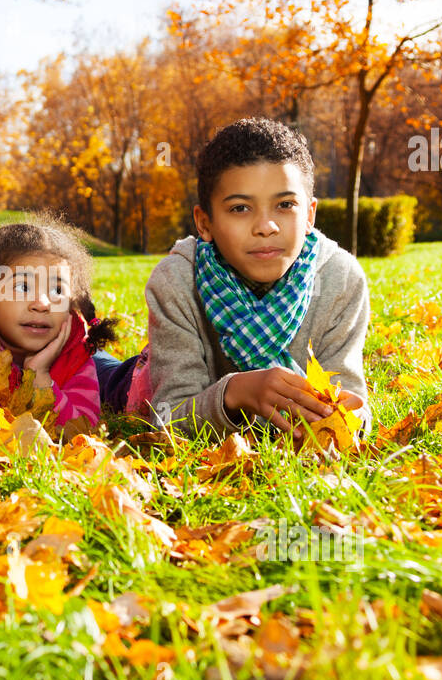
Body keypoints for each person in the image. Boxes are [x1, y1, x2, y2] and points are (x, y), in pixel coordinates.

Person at [99, 117, 369, 439]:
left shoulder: (341, 278)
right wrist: (235, 394)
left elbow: (352, 403)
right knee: (96, 372)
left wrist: (347, 417)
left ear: (309, 214)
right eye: (241, 208)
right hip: (141, 381)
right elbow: (167, 418)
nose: (266, 226)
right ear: (205, 223)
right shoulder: (177, 281)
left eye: (285, 205)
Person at [0, 220, 117, 429]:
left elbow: (81, 433)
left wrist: (41, 379)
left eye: (57, 291)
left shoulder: (75, 356)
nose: (42, 304)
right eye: (23, 286)